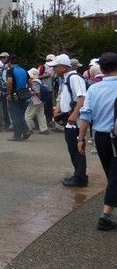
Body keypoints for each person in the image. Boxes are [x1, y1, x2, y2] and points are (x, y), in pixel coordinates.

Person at [77, 51, 117, 230]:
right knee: (115, 177)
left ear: (101, 68)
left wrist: (80, 138)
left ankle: (108, 211)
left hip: (100, 137)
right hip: (116, 137)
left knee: (111, 174)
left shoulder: (93, 88)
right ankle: (105, 216)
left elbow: (85, 115)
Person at [49, 54, 88, 187]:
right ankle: (79, 174)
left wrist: (74, 114)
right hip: (70, 120)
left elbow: (82, 97)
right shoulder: (67, 78)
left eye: (56, 67)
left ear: (64, 67)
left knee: (77, 149)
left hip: (74, 121)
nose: (54, 69)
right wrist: (59, 108)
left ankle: (80, 177)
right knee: (73, 149)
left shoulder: (74, 78)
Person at [5, 55, 32, 142]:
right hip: (24, 95)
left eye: (7, 63)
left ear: (9, 62)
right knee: (20, 115)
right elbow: (30, 82)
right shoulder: (24, 70)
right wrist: (28, 89)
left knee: (15, 116)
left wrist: (9, 94)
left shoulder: (10, 71)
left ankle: (17, 136)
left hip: (15, 95)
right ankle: (25, 131)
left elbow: (9, 82)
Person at [25, 68, 49, 134]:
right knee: (41, 114)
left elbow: (37, 91)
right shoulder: (39, 81)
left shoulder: (33, 82)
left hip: (35, 101)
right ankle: (44, 129)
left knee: (28, 115)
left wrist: (29, 93)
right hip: (41, 101)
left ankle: (28, 129)